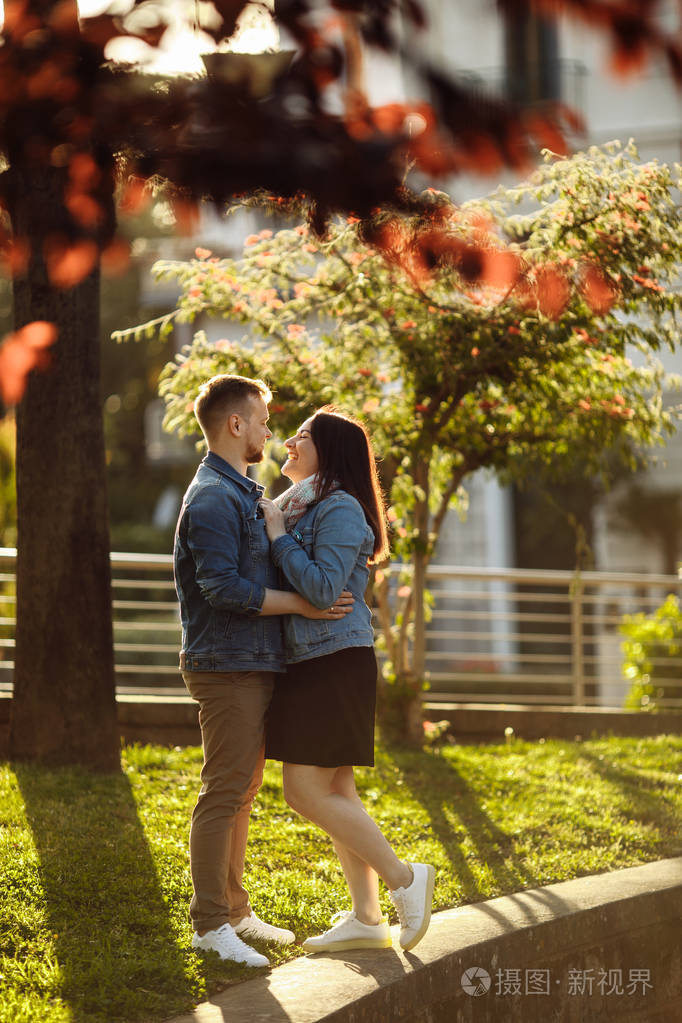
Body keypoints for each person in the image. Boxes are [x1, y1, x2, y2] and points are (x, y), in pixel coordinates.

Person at [174, 375, 353, 967]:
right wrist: (306, 604)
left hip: (252, 661)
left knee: (242, 791)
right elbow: (222, 589)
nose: (270, 431)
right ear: (235, 425)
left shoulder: (245, 492)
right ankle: (208, 925)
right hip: (225, 664)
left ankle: (235, 911)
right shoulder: (212, 497)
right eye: (263, 420)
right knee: (224, 791)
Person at [260, 407, 435, 954]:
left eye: (303, 436)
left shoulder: (337, 508)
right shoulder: (301, 505)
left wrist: (276, 535)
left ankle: (405, 879)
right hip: (316, 661)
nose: (289, 441)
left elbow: (320, 591)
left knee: (302, 790)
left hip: (332, 662)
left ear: (329, 452)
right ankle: (366, 917)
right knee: (338, 790)